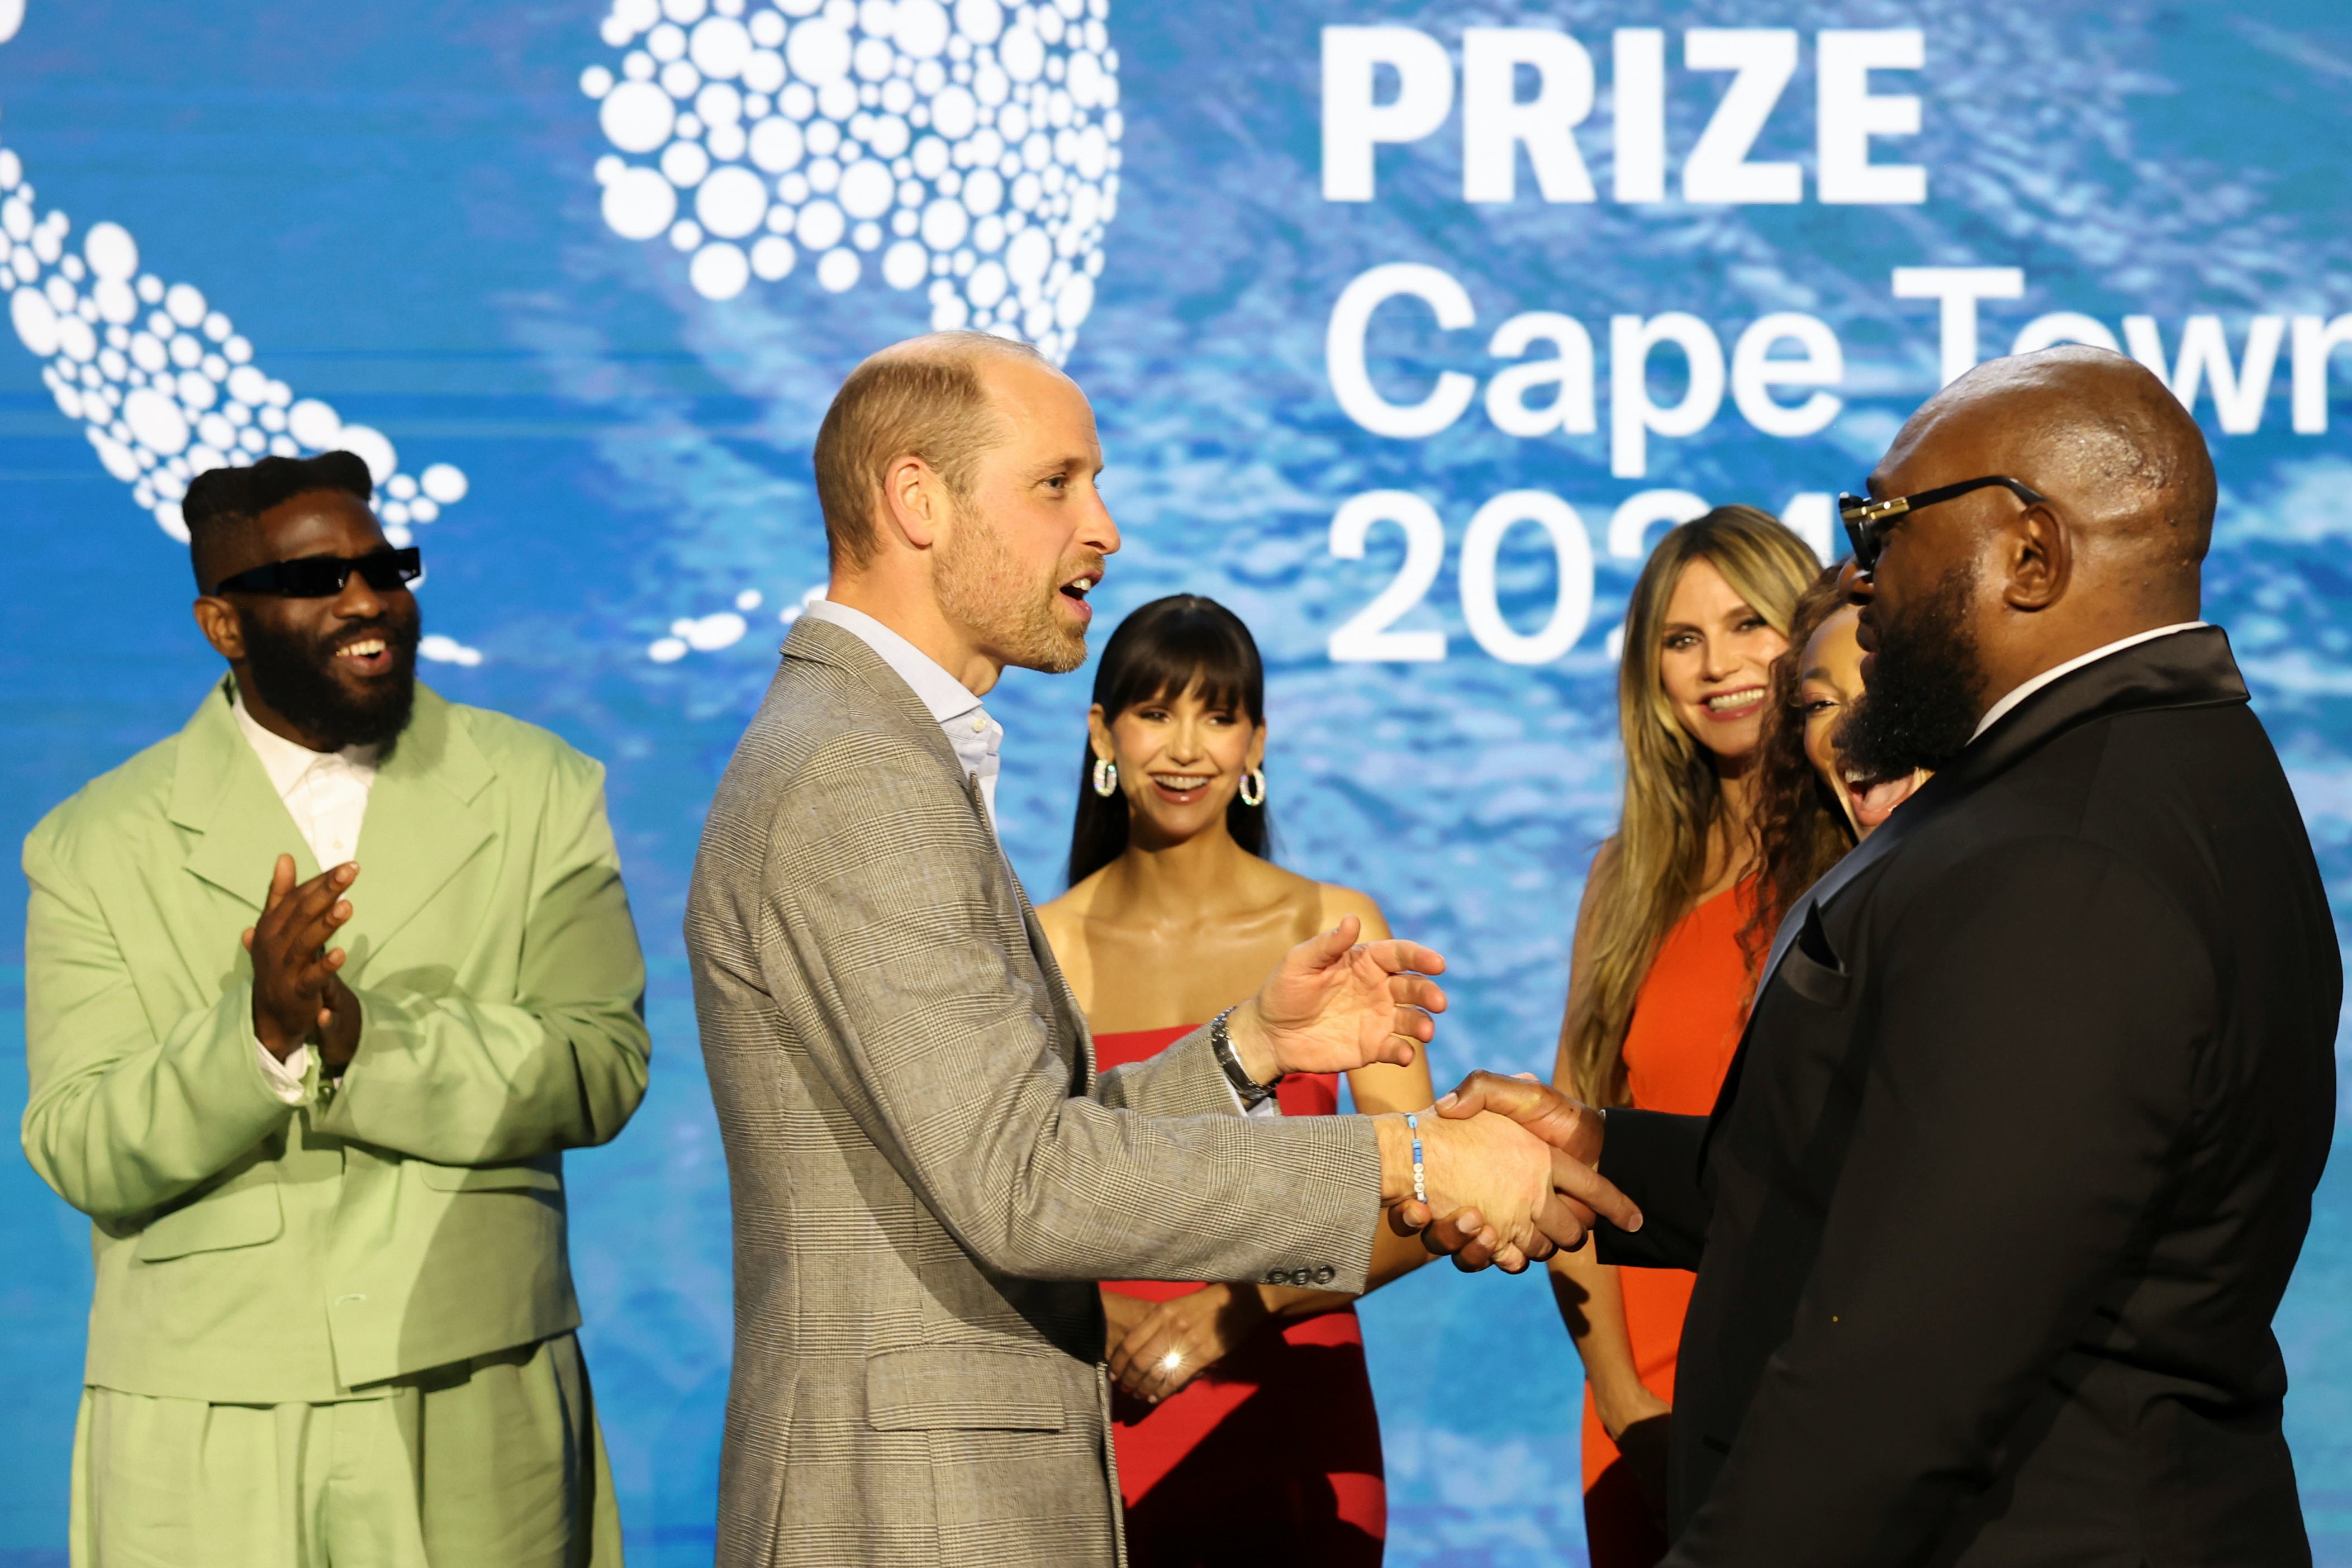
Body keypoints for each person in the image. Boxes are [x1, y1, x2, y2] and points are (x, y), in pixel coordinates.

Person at [682, 331, 1628, 1568]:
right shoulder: (859, 774)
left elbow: (1003, 1138)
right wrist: (1408, 1153)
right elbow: (1027, 1182)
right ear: (917, 501)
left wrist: (1253, 1045)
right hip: (910, 1512)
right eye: (1056, 483)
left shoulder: (878, 753)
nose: (1105, 527)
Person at [1430, 346, 2340, 1565]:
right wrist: (1602, 1147)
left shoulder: (2061, 865)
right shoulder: (2155, 773)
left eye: (1881, 522)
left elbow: (1902, 1370)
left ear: (2030, 552)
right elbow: (1903, 1180)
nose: (1860, 570)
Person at [20, 452, 650, 1567]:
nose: (365, 600)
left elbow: (599, 1064)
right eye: (316, 578)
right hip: (203, 1415)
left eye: (382, 567)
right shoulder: (93, 842)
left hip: (475, 1383)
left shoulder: (542, 787)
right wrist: (254, 1038)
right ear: (225, 623)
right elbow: (81, 1143)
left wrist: (371, 1039)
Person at [1038, 593, 1435, 1565]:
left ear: (1256, 742)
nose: (1185, 747)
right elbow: (1004, 1184)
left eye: (1217, 716)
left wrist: (1230, 1311)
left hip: (1291, 1397)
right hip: (1103, 1400)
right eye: (1154, 712)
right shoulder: (1040, 946)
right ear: (1103, 732)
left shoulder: (1334, 925)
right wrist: (1096, 1315)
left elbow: (1424, 1190)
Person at [1545, 508, 1818, 1566]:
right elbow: (1567, 1159)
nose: (1718, 666)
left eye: (1749, 624)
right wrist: (1618, 1400)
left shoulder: (1875, 857)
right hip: (1643, 1397)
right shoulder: (1624, 881)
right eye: (1681, 639)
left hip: (1822, 1374)